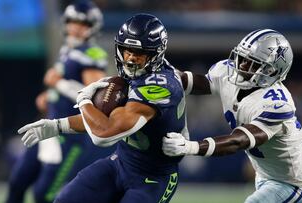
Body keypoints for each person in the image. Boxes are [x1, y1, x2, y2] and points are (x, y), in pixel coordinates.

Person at [17, 13, 187, 203]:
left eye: (139, 53)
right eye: (126, 50)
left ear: (156, 53)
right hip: (121, 163)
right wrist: (57, 126)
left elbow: (104, 134)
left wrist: (83, 100)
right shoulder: (131, 78)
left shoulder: (160, 87)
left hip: (154, 177)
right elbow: (102, 119)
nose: (130, 58)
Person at [162, 29, 302, 203]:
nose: (241, 65)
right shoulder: (229, 72)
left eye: (252, 63)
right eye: (242, 58)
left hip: (291, 181)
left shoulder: (277, 104)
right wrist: (167, 76)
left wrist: (189, 147)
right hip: (266, 174)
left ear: (272, 71)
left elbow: (238, 141)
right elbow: (200, 83)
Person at [5, 2, 109, 203]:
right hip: (47, 129)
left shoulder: (92, 54)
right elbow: (68, 88)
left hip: (69, 136)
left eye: (82, 23)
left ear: (92, 26)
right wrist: (51, 96)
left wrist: (58, 84)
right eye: (72, 22)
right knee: (18, 182)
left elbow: (97, 99)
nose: (76, 27)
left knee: (44, 194)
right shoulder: (67, 50)